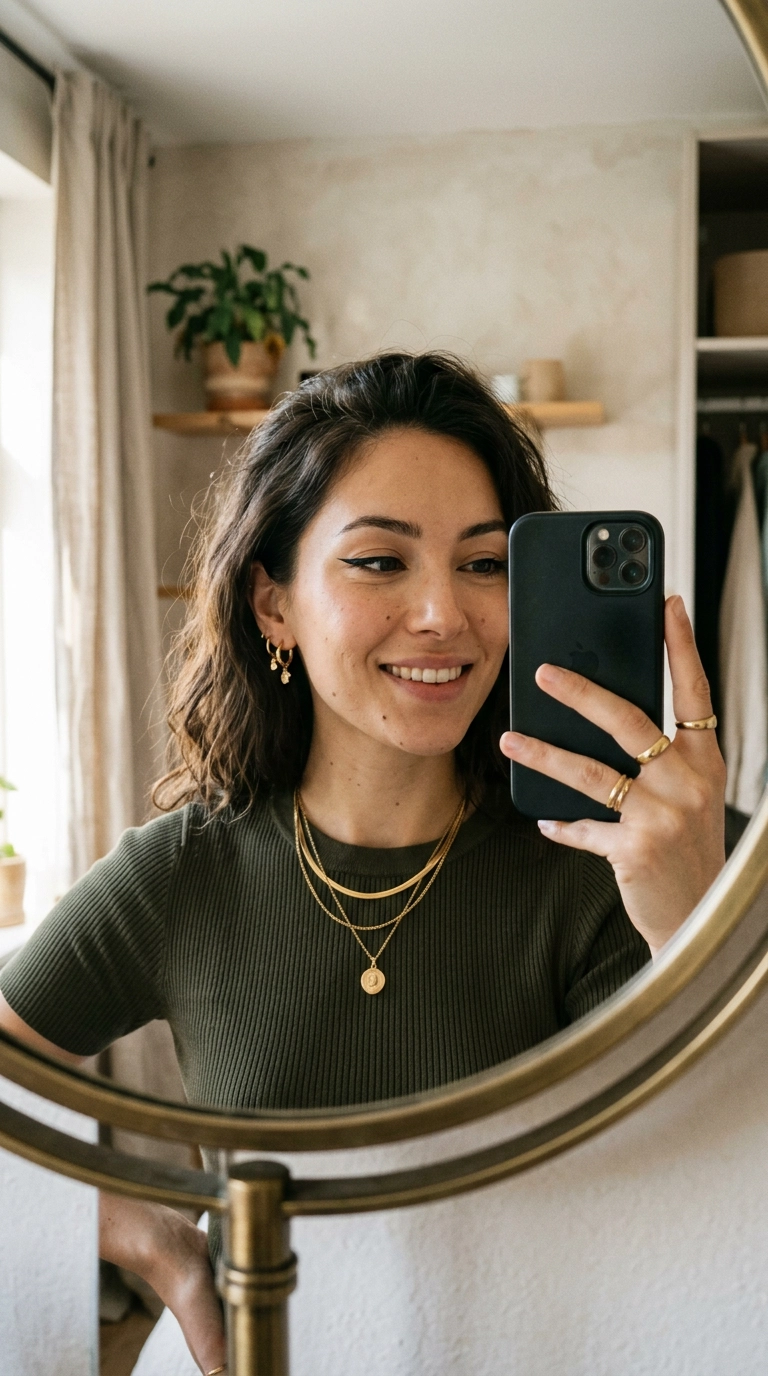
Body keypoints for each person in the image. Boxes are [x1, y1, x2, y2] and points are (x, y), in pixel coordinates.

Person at [0, 353, 726, 1373]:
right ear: (273, 604)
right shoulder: (183, 873)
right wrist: (148, 1236)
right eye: (381, 561)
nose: (443, 613)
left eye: (483, 563)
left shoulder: (600, 864)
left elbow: (707, 1201)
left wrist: (697, 921)